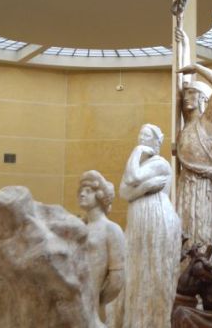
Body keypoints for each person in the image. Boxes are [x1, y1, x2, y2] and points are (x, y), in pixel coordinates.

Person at [175, 27, 212, 254]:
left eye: (192, 94)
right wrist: (184, 46)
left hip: (201, 186)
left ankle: (201, 276)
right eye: (187, 94)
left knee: (200, 231)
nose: (186, 96)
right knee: (183, 230)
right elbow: (181, 77)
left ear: (203, 100)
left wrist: (197, 66)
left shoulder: (208, 121)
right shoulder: (185, 124)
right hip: (184, 184)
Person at [119, 124, 182, 328]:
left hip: (155, 218)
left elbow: (132, 178)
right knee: (136, 269)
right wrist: (144, 188)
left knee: (153, 267)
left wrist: (136, 154)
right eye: (139, 135)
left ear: (157, 141)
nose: (141, 139)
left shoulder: (160, 163)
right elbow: (124, 192)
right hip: (139, 218)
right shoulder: (138, 163)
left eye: (146, 135)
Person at [77, 170, 126, 324]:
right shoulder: (77, 227)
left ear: (99, 195)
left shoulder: (111, 229)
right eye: (81, 191)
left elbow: (117, 280)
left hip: (92, 304)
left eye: (88, 191)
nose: (82, 194)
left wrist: (97, 298)